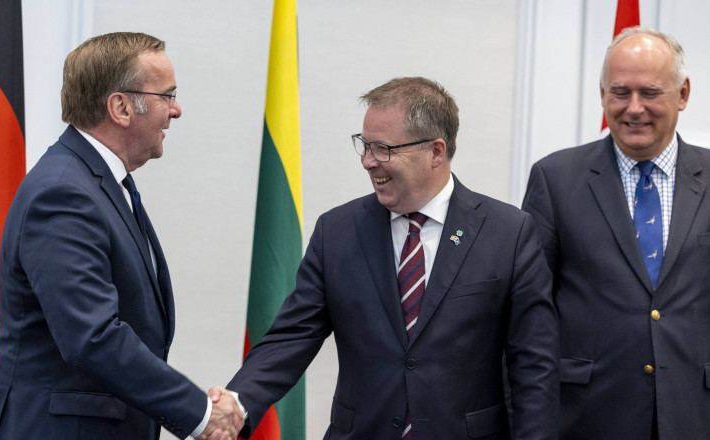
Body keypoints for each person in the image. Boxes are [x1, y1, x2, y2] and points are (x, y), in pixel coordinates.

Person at [227, 77, 559, 439]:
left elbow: (534, 369)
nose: (368, 162)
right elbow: (291, 338)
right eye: (364, 145)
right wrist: (235, 406)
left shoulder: (508, 233)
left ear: (435, 151)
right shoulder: (337, 231)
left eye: (383, 149)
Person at [0, 32, 242, 440]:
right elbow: (92, 337)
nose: (177, 110)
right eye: (167, 96)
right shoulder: (62, 192)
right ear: (120, 107)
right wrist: (200, 413)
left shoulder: (100, 183)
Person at [521, 26, 707, 439]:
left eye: (651, 93)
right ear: (602, 93)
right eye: (620, 92)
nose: (633, 108)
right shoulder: (555, 179)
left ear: (683, 94)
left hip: (695, 413)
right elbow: (528, 315)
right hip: (587, 417)